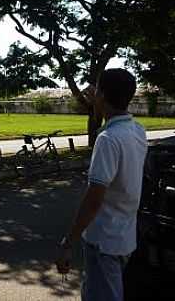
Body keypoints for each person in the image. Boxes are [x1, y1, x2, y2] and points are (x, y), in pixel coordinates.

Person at [55, 69, 148, 301]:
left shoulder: (108, 139)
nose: (93, 94)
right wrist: (98, 103)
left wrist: (68, 241)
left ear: (103, 95)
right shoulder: (137, 131)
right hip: (125, 238)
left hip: (103, 241)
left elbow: (94, 200)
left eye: (96, 90)